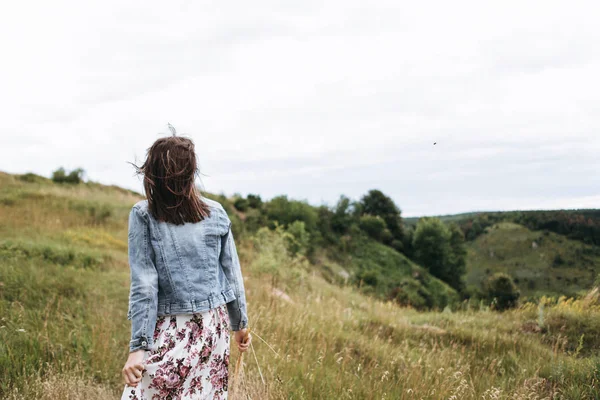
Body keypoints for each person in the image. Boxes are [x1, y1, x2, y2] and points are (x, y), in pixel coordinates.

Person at [120, 134, 251, 399]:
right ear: (191, 172)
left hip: (173, 328)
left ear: (152, 174)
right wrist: (240, 324)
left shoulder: (143, 214)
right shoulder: (216, 212)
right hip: (214, 327)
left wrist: (139, 348)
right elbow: (233, 276)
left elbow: (145, 285)